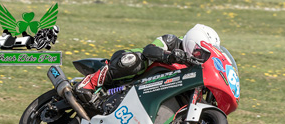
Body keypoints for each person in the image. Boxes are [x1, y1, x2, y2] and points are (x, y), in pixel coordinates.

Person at [75, 24, 220, 103]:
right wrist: (170, 57)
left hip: (147, 91)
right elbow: (150, 49)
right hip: (129, 66)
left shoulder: (196, 65)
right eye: (200, 52)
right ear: (192, 42)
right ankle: (88, 84)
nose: (200, 56)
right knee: (135, 61)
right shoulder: (172, 41)